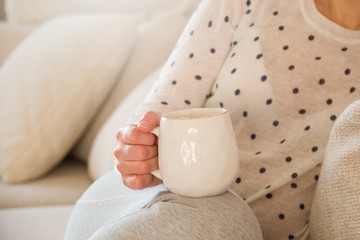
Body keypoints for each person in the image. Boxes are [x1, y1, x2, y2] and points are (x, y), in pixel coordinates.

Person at [65, 0, 360, 239]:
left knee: (233, 221)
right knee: (228, 217)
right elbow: (164, 103)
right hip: (145, 205)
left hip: (239, 231)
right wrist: (139, 144)